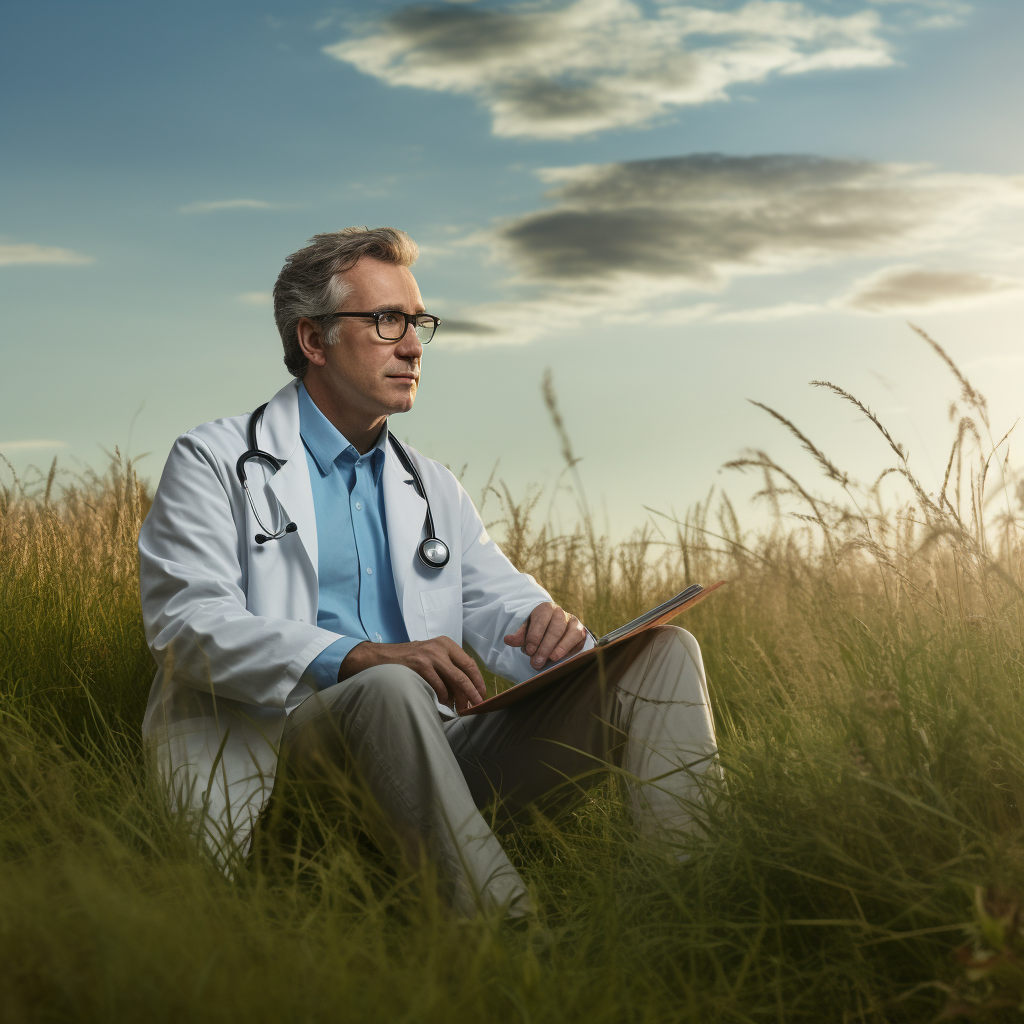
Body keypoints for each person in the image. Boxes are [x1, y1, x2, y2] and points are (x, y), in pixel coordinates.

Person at [138, 227, 722, 918]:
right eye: (386, 321)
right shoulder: (213, 461)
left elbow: (502, 603)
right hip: (290, 776)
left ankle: (696, 909)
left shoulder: (431, 485)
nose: (413, 345)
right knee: (389, 686)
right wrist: (354, 657)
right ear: (313, 340)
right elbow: (185, 627)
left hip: (433, 762)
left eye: (418, 323)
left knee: (661, 654)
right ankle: (509, 940)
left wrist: (546, 632)